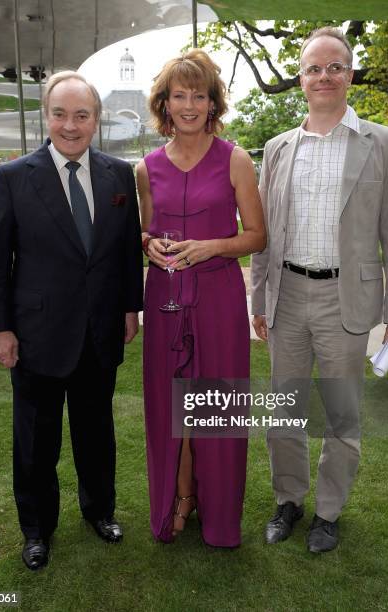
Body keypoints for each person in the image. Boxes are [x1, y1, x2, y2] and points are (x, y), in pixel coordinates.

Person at [251, 27, 388, 553]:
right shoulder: (277, 150)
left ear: (349, 74)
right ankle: (289, 501)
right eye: (313, 68)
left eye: (335, 67)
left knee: (342, 414)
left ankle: (327, 513)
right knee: (286, 409)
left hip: (347, 301)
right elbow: (264, 234)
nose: (324, 76)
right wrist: (259, 299)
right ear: (300, 79)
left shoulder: (383, 144)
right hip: (288, 295)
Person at [0, 71, 143, 570]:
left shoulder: (119, 175)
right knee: (36, 440)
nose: (70, 125)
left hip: (99, 331)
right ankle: (36, 529)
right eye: (60, 114)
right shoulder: (12, 178)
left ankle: (100, 511)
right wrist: (1, 327)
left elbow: (124, 252)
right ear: (46, 117)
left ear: (96, 119)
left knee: (96, 432)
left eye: (81, 115)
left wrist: (130, 308)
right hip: (36, 335)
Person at [137, 49, 266, 548]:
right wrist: (149, 245)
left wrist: (211, 246)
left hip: (218, 297)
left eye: (198, 95)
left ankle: (218, 516)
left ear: (212, 103)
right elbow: (143, 232)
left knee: (215, 406)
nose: (188, 105)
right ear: (164, 104)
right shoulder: (146, 168)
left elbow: (256, 236)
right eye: (178, 95)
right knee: (171, 407)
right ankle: (178, 498)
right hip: (165, 293)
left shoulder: (236, 159)